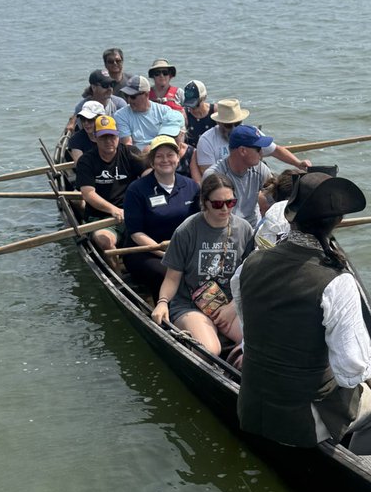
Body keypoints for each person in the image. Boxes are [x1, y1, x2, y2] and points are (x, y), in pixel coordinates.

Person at [232, 173, 371, 448]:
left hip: (251, 409)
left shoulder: (249, 265)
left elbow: (250, 324)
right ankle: (347, 449)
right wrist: (370, 360)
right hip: (299, 423)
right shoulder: (338, 283)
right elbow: (353, 369)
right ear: (338, 221)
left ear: (291, 216)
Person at [151, 172, 253, 356]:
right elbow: (172, 278)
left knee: (256, 342)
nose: (225, 209)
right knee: (210, 350)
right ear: (205, 202)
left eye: (230, 203)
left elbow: (248, 275)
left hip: (229, 303)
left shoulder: (244, 228)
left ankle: (238, 365)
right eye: (217, 204)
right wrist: (162, 302)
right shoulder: (186, 230)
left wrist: (232, 307)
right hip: (190, 303)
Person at [122, 134, 199, 297]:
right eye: (159, 156)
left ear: (178, 158)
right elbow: (136, 234)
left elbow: (199, 224)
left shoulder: (191, 186)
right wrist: (165, 254)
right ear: (151, 161)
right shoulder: (136, 190)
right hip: (147, 252)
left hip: (184, 251)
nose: (165, 160)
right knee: (169, 274)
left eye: (170, 155)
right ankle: (166, 314)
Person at [208, 124, 312, 229]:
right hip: (225, 229)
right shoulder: (214, 176)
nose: (262, 153)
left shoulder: (260, 169)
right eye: (258, 149)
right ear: (243, 151)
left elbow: (275, 195)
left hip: (253, 227)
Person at [74, 115, 144, 250]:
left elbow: (149, 177)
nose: (108, 141)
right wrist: (113, 210)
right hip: (101, 217)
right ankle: (116, 270)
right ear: (94, 137)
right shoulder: (86, 161)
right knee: (104, 241)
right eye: (103, 137)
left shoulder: (131, 153)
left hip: (132, 212)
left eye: (112, 136)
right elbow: (88, 194)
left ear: (118, 136)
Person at [195, 100, 312, 179]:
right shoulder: (207, 141)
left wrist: (298, 164)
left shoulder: (250, 132)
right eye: (228, 125)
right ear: (218, 122)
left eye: (237, 123)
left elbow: (276, 150)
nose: (234, 129)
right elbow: (210, 177)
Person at [115, 75, 184, 151]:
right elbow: (127, 145)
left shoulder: (165, 111)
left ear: (147, 94)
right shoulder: (120, 115)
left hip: (161, 153)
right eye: (126, 95)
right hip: (136, 157)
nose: (129, 100)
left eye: (133, 96)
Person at [67, 100, 105, 164]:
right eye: (83, 119)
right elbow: (81, 165)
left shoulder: (111, 136)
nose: (86, 123)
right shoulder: (76, 140)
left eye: (90, 119)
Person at [181, 80, 215, 149]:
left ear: (204, 97)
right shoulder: (184, 115)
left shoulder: (215, 111)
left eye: (196, 104)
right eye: (189, 104)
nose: (192, 107)